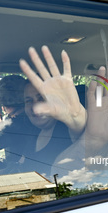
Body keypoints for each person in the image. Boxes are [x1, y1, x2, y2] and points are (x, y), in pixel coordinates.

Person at [18, 46, 87, 178]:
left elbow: (80, 125)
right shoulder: (32, 132)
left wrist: (76, 114)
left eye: (41, 98)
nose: (35, 106)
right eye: (28, 100)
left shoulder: (67, 129)